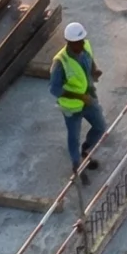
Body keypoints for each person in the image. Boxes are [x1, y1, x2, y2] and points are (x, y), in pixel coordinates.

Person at [51, 21, 106, 174]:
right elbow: (54, 89)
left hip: (89, 98)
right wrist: (79, 96)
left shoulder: (85, 47)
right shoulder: (60, 62)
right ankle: (77, 166)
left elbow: (90, 60)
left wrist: (94, 71)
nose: (81, 45)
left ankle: (86, 150)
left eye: (82, 41)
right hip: (72, 106)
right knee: (74, 137)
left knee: (100, 127)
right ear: (69, 43)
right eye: (77, 43)